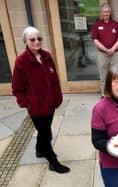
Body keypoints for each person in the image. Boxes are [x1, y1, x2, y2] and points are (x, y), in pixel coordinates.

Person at [12, 26, 70, 173]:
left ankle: (39, 150)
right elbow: (17, 89)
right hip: (36, 108)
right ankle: (53, 161)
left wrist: (58, 97)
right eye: (32, 39)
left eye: (39, 38)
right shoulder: (21, 61)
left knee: (44, 130)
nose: (37, 42)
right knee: (46, 133)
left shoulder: (47, 56)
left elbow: (54, 78)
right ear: (25, 41)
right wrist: (29, 104)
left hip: (50, 104)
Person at [91, 3, 118, 98]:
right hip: (102, 55)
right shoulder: (97, 25)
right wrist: (105, 49)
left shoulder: (115, 24)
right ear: (101, 12)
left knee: (115, 75)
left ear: (110, 12)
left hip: (114, 54)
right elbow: (95, 40)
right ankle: (104, 95)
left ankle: (115, 93)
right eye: (104, 12)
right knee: (103, 76)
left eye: (108, 12)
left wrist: (112, 49)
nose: (106, 14)